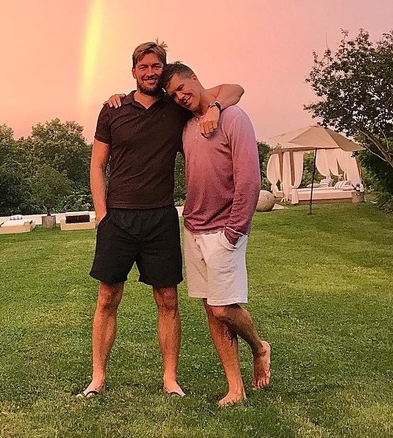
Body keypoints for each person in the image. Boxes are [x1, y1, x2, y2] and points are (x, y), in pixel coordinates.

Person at [79, 41, 244, 398]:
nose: (150, 72)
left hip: (160, 219)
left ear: (163, 70)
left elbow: (235, 89)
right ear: (133, 71)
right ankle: (98, 378)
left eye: (157, 67)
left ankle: (170, 379)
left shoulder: (175, 106)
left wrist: (215, 107)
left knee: (167, 299)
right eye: (144, 67)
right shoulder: (113, 110)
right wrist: (102, 213)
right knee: (107, 297)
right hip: (118, 219)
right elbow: (97, 164)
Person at [159, 61, 271, 406]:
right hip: (193, 227)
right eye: (173, 94)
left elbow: (250, 180)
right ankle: (234, 388)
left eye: (182, 87)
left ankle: (259, 346)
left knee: (224, 310)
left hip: (225, 229)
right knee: (211, 311)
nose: (180, 96)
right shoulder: (188, 125)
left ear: (195, 78)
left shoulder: (234, 118)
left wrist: (235, 230)